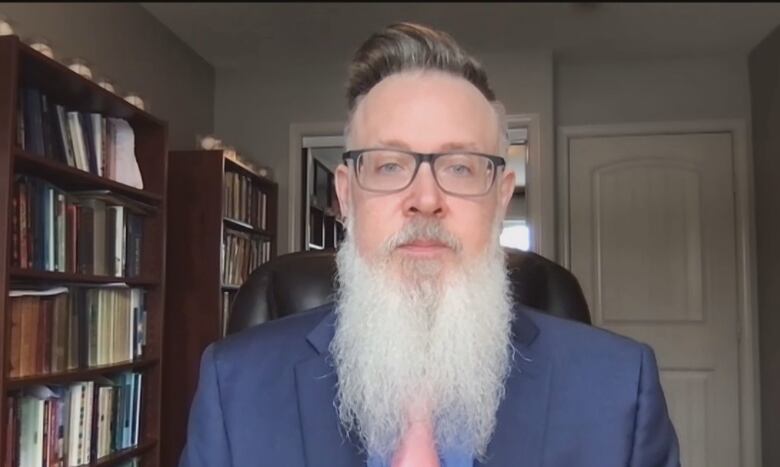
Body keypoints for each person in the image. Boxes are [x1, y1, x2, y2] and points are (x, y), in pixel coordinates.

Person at [179, 22, 680, 467]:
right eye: (390, 165)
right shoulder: (235, 385)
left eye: (460, 166)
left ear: (501, 198)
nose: (425, 199)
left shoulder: (619, 390)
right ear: (346, 195)